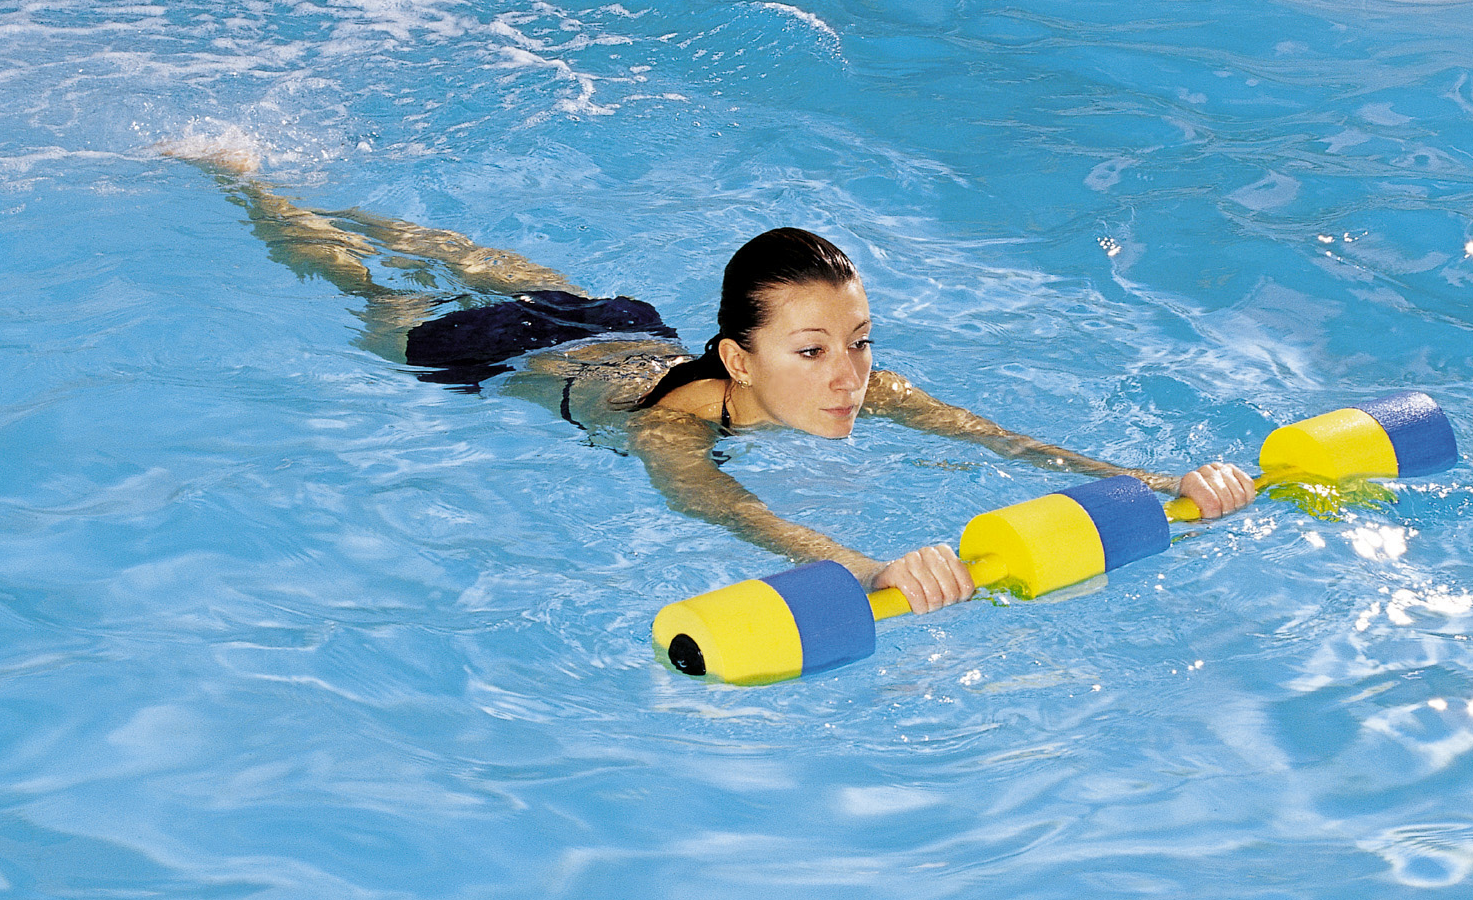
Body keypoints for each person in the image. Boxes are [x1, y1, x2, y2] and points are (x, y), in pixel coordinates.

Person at [183, 153, 1255, 614]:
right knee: (370, 288)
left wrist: (1152, 476)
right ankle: (251, 188)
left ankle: (329, 197)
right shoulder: (671, 436)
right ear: (739, 359)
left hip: (619, 330)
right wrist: (868, 566)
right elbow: (734, 512)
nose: (848, 377)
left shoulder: (847, 381)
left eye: (859, 341)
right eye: (813, 352)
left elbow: (1005, 439)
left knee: (479, 250)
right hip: (498, 354)